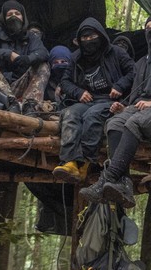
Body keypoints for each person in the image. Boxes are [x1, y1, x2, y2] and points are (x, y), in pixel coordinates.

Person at [80, 13, 151, 207]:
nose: (150, 30)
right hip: (140, 106)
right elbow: (136, 96)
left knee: (135, 122)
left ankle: (105, 180)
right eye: (148, 26)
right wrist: (123, 106)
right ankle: (123, 182)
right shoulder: (142, 62)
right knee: (114, 122)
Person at [53, 18, 134, 183]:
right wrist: (78, 92)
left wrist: (119, 85)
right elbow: (65, 82)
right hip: (86, 100)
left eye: (92, 36)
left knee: (93, 115)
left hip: (110, 100)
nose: (89, 41)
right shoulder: (76, 58)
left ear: (101, 35)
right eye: (85, 38)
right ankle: (69, 161)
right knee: (70, 113)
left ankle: (84, 162)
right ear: (80, 40)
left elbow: (134, 71)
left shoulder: (116, 52)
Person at [0, 0, 50, 115]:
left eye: (17, 14)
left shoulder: (31, 36)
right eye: (9, 14)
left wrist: (28, 59)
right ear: (3, 18)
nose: (14, 17)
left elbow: (43, 52)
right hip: (1, 86)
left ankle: (30, 105)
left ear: (23, 17)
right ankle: (11, 103)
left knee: (43, 66)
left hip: (23, 84)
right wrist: (8, 54)